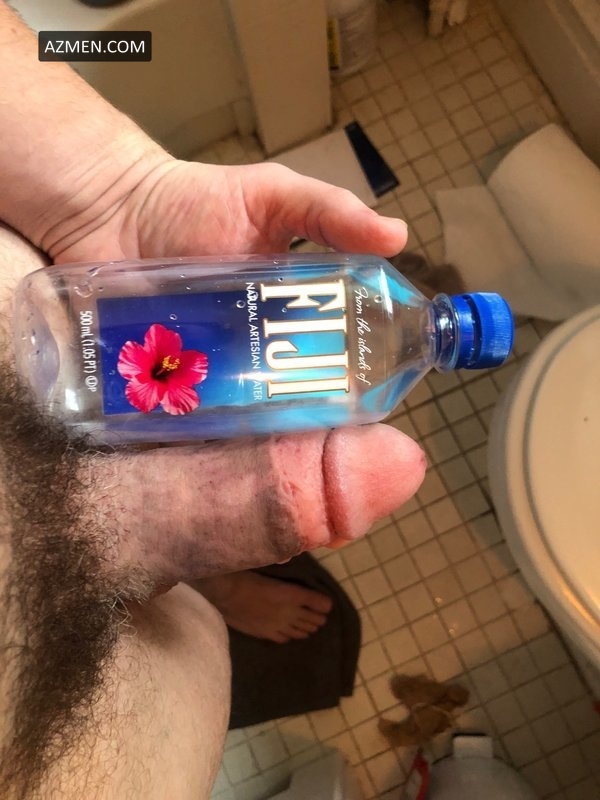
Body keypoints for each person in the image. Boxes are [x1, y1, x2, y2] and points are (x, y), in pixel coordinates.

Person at [0, 3, 426, 797]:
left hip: (92, 346)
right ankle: (213, 585)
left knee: (182, 463)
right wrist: (113, 190)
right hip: (80, 340)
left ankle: (208, 581)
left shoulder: (387, 338)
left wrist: (117, 192)